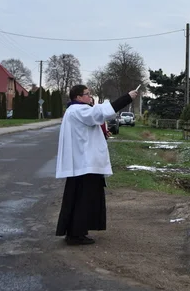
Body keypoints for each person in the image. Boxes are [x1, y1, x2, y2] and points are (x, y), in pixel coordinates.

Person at [55, 84, 138, 245]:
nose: (90, 97)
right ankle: (76, 234)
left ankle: (75, 231)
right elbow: (101, 112)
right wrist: (127, 98)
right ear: (78, 97)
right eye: (87, 94)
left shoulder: (73, 111)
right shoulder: (79, 110)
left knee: (78, 199)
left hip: (81, 164)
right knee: (83, 200)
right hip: (85, 164)